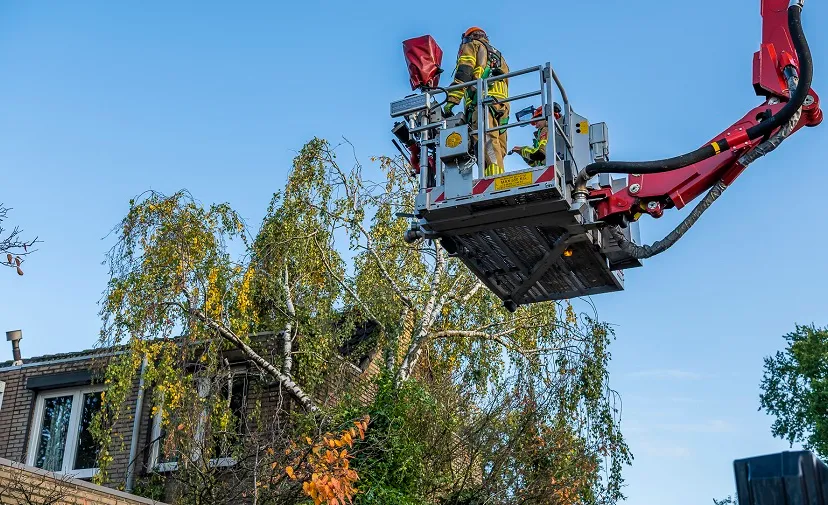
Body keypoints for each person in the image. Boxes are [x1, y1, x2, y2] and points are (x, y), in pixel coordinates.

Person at [442, 27, 510, 177]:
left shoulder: (472, 45)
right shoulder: (499, 56)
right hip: (502, 104)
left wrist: (451, 101)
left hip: (483, 101)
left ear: (467, 38)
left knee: (487, 140)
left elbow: (464, 72)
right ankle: (497, 173)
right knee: (499, 143)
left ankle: (493, 179)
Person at [510, 103, 561, 167]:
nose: (536, 126)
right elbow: (536, 163)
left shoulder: (546, 130)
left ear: (545, 118)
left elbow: (540, 154)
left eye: (537, 122)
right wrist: (525, 157)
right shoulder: (555, 131)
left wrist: (520, 150)